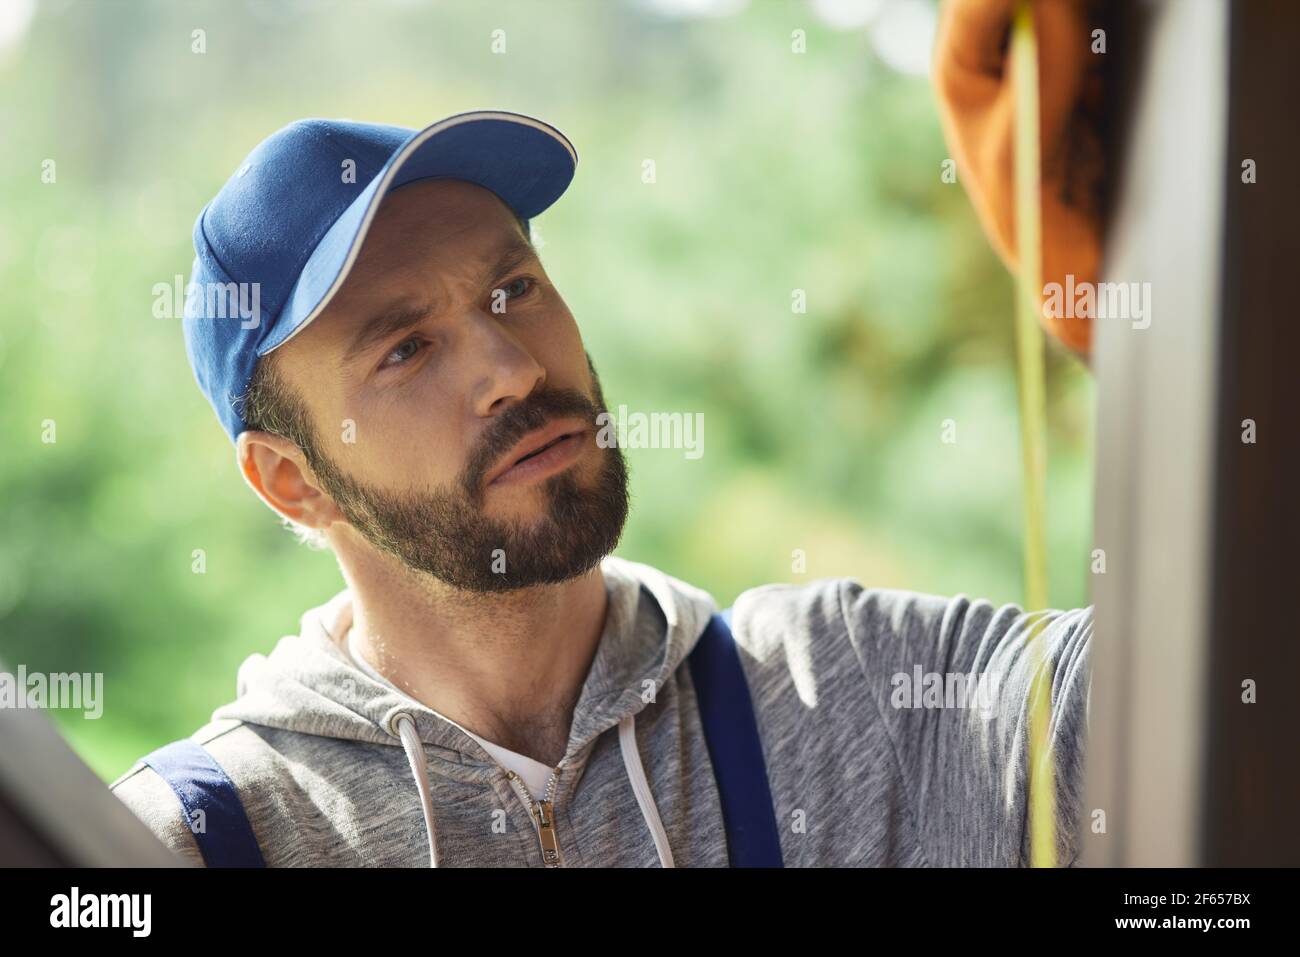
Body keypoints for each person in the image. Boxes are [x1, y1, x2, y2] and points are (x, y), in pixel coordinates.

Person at [109, 105, 1093, 867]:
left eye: (515, 291)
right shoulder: (189, 843)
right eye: (406, 349)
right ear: (291, 481)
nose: (514, 370)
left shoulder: (859, 694)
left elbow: (1206, 686)